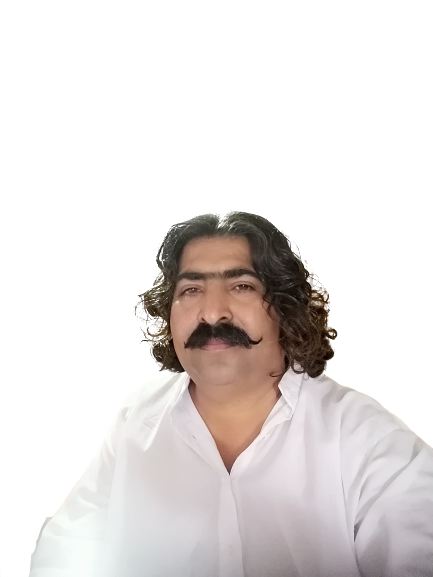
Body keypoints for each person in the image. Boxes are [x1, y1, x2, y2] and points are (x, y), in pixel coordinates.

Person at [29, 212, 433, 577]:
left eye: (241, 286)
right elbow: (69, 548)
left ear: (286, 308)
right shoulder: (138, 415)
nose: (212, 313)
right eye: (191, 290)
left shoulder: (369, 439)